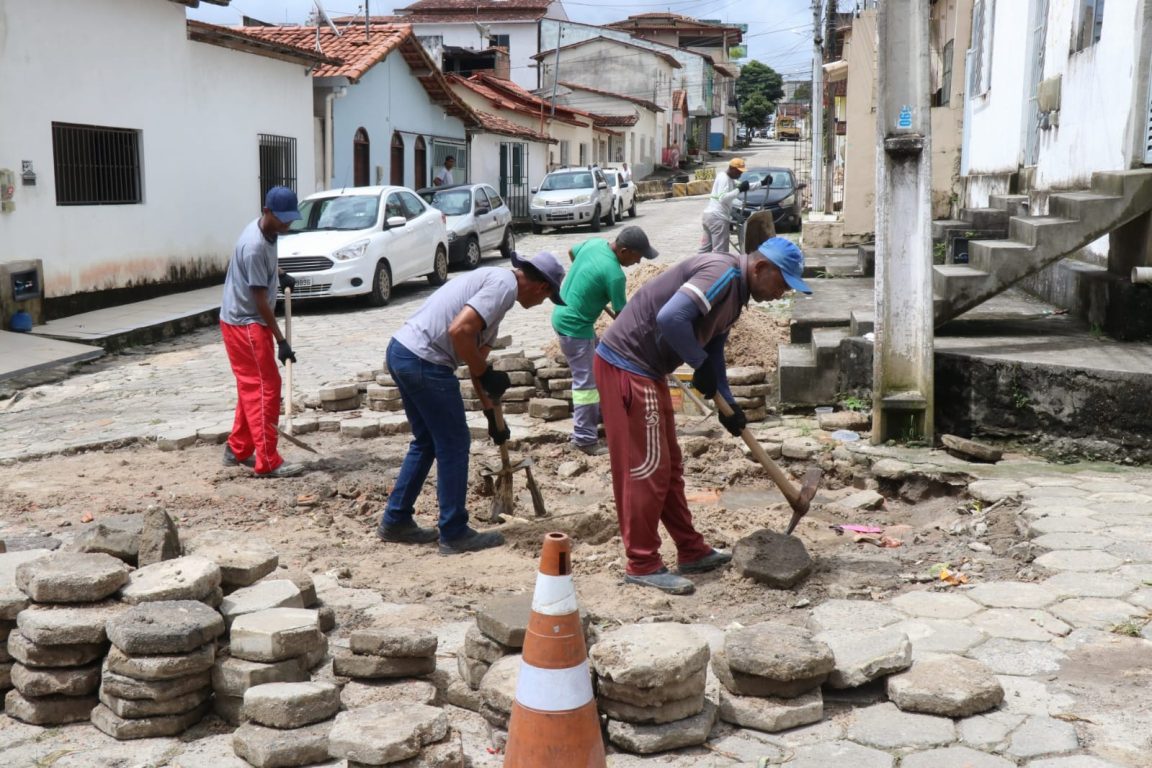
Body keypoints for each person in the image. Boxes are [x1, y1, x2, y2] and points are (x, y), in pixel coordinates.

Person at [595, 237, 812, 594]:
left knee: (669, 467)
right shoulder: (722, 272)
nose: (782, 293)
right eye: (782, 282)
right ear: (760, 268)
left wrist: (727, 401)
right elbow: (671, 318)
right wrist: (697, 366)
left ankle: (691, 550)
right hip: (627, 367)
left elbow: (713, 349)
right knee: (646, 468)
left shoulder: (737, 295)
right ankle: (642, 563)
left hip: (648, 370)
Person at [379, 252, 567, 554]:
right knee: (453, 443)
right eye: (547, 298)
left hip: (403, 352)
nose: (542, 304)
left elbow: (477, 360)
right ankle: (454, 533)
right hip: (425, 360)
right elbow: (459, 332)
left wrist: (492, 415)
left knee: (426, 441)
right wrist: (486, 374)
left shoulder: (497, 296)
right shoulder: (503, 286)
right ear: (543, 287)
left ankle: (396, 519)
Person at [219, 186, 304, 478]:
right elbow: (259, 301)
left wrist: (280, 275)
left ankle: (237, 448)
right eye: (282, 219)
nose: (286, 224)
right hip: (245, 323)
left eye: (290, 219)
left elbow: (267, 266)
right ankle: (267, 460)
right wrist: (281, 341)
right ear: (267, 211)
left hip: (243, 320)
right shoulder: (254, 245)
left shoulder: (269, 232)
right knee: (267, 387)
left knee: (251, 385)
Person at [552, 226, 658, 456]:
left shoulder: (594, 244)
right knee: (586, 384)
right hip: (575, 327)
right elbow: (623, 318)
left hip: (563, 317)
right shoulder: (615, 275)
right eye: (638, 256)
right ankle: (584, 438)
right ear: (624, 251)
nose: (639, 262)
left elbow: (572, 252)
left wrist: (589, 285)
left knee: (602, 369)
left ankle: (600, 415)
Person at [699, 157, 760, 254]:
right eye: (738, 172)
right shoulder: (725, 179)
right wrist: (739, 190)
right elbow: (722, 198)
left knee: (705, 250)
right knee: (720, 252)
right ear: (731, 168)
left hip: (709, 217)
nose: (740, 174)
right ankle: (719, 269)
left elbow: (745, 186)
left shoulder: (727, 178)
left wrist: (762, 183)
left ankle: (698, 267)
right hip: (717, 218)